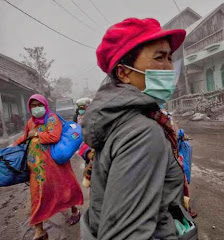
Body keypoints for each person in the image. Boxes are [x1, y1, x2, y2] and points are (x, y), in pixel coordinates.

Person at [81, 18, 196, 239]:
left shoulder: (119, 117)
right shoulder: (142, 133)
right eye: (159, 57)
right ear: (124, 73)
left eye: (170, 58)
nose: (169, 67)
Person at [15, 94, 83, 240]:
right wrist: (14, 147)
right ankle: (39, 231)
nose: (35, 108)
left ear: (44, 105)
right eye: (32, 106)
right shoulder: (30, 123)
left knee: (65, 188)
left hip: (55, 164)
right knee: (37, 196)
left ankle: (75, 210)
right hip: (37, 170)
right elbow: (25, 137)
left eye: (38, 105)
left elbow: (54, 136)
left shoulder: (52, 118)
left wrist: (37, 134)